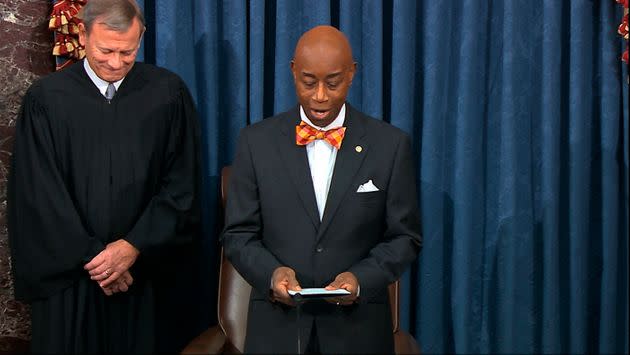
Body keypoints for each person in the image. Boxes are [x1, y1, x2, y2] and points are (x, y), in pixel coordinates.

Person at [6, 0, 200, 352]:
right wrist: (97, 260)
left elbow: (182, 183)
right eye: (106, 50)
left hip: (143, 278)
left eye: (127, 52)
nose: (115, 62)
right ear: (82, 34)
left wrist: (132, 246)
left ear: (140, 39)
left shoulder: (167, 94)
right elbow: (39, 193)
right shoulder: (46, 100)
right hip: (70, 282)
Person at [222, 25, 422, 354]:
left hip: (358, 333)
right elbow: (238, 234)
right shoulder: (255, 142)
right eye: (308, 81)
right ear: (292, 72)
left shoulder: (389, 146)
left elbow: (405, 237)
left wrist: (361, 278)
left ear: (352, 73)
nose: (320, 96)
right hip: (278, 333)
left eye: (333, 82)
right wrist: (272, 275)